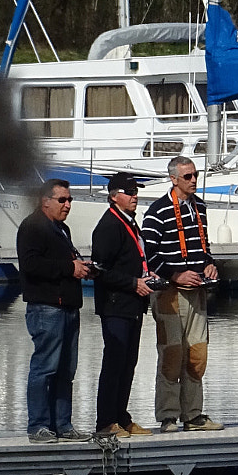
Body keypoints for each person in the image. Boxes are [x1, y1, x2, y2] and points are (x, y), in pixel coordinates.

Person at [141, 155, 223, 431]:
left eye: (195, 175)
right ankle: (167, 415)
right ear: (173, 179)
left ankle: (193, 415)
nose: (193, 181)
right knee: (172, 354)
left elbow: (204, 246)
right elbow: (148, 254)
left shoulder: (200, 206)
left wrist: (209, 265)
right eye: (187, 176)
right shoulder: (157, 210)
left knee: (197, 353)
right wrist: (175, 275)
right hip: (169, 294)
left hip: (197, 292)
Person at [16, 177, 91, 443]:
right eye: (62, 200)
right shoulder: (32, 227)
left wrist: (80, 266)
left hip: (68, 308)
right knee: (44, 368)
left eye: (70, 199)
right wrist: (70, 268)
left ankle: (63, 424)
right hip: (46, 309)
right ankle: (37, 426)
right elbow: (31, 265)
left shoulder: (62, 229)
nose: (68, 204)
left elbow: (58, 261)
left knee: (66, 370)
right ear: (44, 201)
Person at [90, 174, 156, 438]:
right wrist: (132, 283)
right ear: (113, 196)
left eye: (135, 191)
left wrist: (146, 279)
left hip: (133, 304)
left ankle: (121, 416)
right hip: (116, 305)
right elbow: (99, 271)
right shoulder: (108, 226)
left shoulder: (130, 223)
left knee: (129, 363)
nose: (134, 196)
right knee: (114, 362)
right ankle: (105, 422)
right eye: (128, 192)